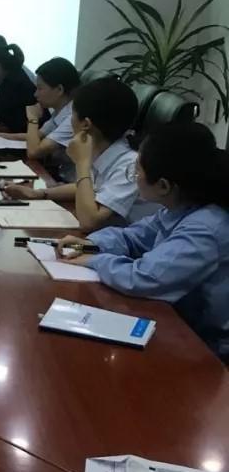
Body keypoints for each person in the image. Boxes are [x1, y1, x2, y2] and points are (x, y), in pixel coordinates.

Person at [55, 122, 229, 362]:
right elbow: (132, 237)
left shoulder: (205, 229)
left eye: (137, 171)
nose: (134, 177)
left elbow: (145, 277)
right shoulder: (177, 208)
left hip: (208, 349)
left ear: (164, 186)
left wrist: (94, 260)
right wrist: (87, 245)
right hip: (175, 321)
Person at [3, 76, 153, 230]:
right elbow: (87, 188)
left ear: (86, 124)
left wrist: (82, 163)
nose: (70, 121)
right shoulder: (106, 150)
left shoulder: (129, 166)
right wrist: (39, 193)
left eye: (72, 115)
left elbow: (89, 222)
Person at [0, 57, 81, 180]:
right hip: (60, 176)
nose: (35, 94)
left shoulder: (72, 118)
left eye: (40, 88)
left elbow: (34, 152)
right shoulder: (61, 111)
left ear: (59, 89)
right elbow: (36, 136)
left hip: (71, 182)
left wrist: (33, 119)